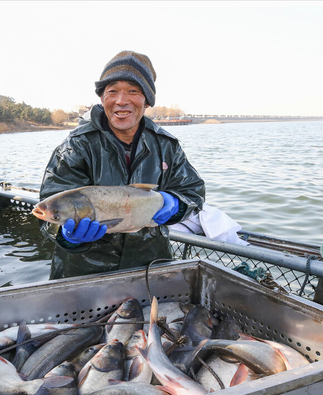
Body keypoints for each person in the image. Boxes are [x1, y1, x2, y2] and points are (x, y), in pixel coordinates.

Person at [39, 50, 205, 279]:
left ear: (147, 100)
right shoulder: (74, 148)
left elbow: (193, 193)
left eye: (133, 91)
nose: (121, 100)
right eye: (112, 91)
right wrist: (66, 235)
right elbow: (48, 215)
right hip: (84, 273)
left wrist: (175, 204)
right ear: (102, 98)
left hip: (151, 268)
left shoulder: (167, 145)